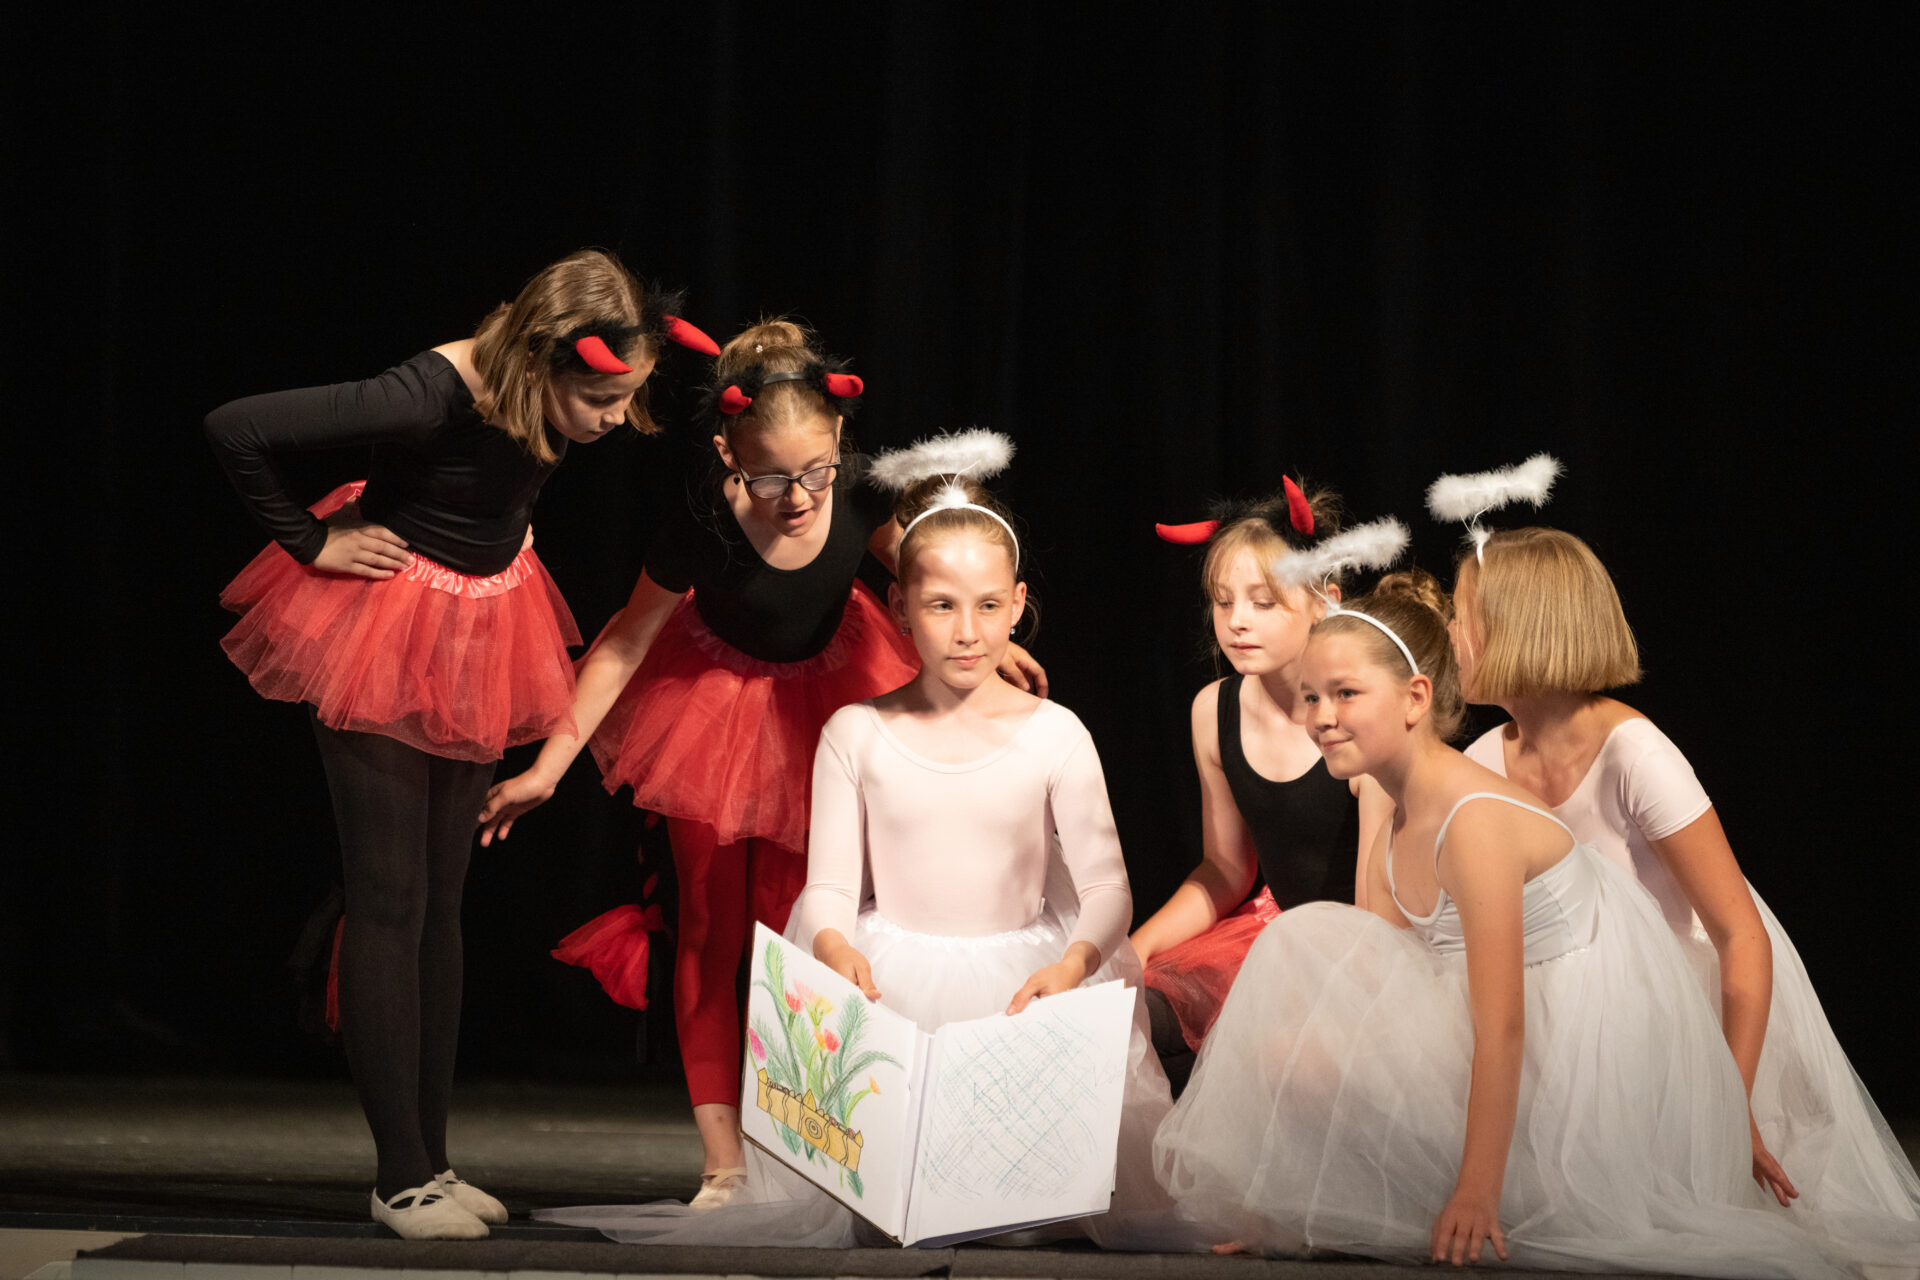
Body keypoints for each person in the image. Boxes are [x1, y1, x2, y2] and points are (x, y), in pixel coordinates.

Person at [1155, 545, 1913, 1275]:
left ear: (1417, 696)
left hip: (1599, 1020)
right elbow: (1387, 953)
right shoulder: (1462, 767)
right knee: (1299, 1015)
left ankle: (1490, 1187)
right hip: (1501, 994)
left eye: (1344, 695)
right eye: (1313, 698)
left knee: (1523, 1171)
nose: (1321, 715)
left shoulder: (1528, 795)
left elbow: (1519, 1015)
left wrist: (1723, 1105)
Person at [207, 249, 707, 1239]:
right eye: (602, 399)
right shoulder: (431, 391)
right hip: (383, 622)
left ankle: (432, 1161)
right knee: (389, 897)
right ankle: (398, 1178)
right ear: (548, 359)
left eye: (627, 398)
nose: (616, 421)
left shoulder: (545, 392)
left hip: (484, 615)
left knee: (442, 900)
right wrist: (310, 541)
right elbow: (237, 427)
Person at [475, 335, 1044, 1202]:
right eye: (772, 478)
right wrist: (549, 765)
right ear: (728, 455)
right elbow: (623, 644)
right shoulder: (702, 522)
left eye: (815, 472)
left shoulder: (860, 496)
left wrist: (988, 645)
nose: (798, 497)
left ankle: (799, 1144)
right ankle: (723, 1160)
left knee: (801, 930)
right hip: (711, 715)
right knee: (709, 927)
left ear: (840, 444)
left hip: (824, 708)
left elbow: (935, 577)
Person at [1451, 524, 1920, 1227]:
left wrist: (1728, 1105)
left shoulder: (1634, 755)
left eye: (1461, 616)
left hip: (1674, 1028)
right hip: (1558, 1020)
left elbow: (1741, 935)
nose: (1450, 632)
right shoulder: (1484, 761)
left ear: (1516, 627)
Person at [1131, 483, 1392, 1091]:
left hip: (1367, 944)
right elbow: (1226, 869)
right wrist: (1132, 951)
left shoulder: (1357, 722)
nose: (1237, 621)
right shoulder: (1213, 710)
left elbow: (1379, 912)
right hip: (1276, 930)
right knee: (1135, 1011)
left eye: (1263, 602)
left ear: (1324, 603)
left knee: (1271, 1058)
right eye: (1223, 602)